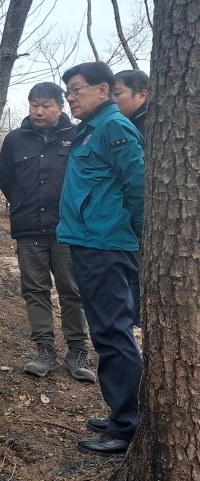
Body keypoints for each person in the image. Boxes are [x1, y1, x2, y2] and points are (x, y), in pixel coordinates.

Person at [57, 62, 144, 455]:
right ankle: (121, 412)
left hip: (108, 245)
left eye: (76, 89)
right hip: (90, 241)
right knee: (106, 331)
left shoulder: (114, 128)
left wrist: (141, 238)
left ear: (103, 90)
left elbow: (138, 186)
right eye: (68, 92)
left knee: (112, 333)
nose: (70, 98)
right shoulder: (90, 130)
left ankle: (127, 426)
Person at [0, 82, 95, 382]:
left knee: (72, 290)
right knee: (35, 290)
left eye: (46, 105)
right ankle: (44, 349)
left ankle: (78, 350)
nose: (39, 111)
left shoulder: (78, 136)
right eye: (34, 105)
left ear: (61, 106)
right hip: (28, 229)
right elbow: (6, 181)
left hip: (69, 229)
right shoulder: (15, 139)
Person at [113, 69, 149, 327]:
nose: (113, 101)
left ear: (142, 95)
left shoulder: (150, 127)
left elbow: (137, 181)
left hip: (143, 224)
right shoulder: (122, 125)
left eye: (118, 93)